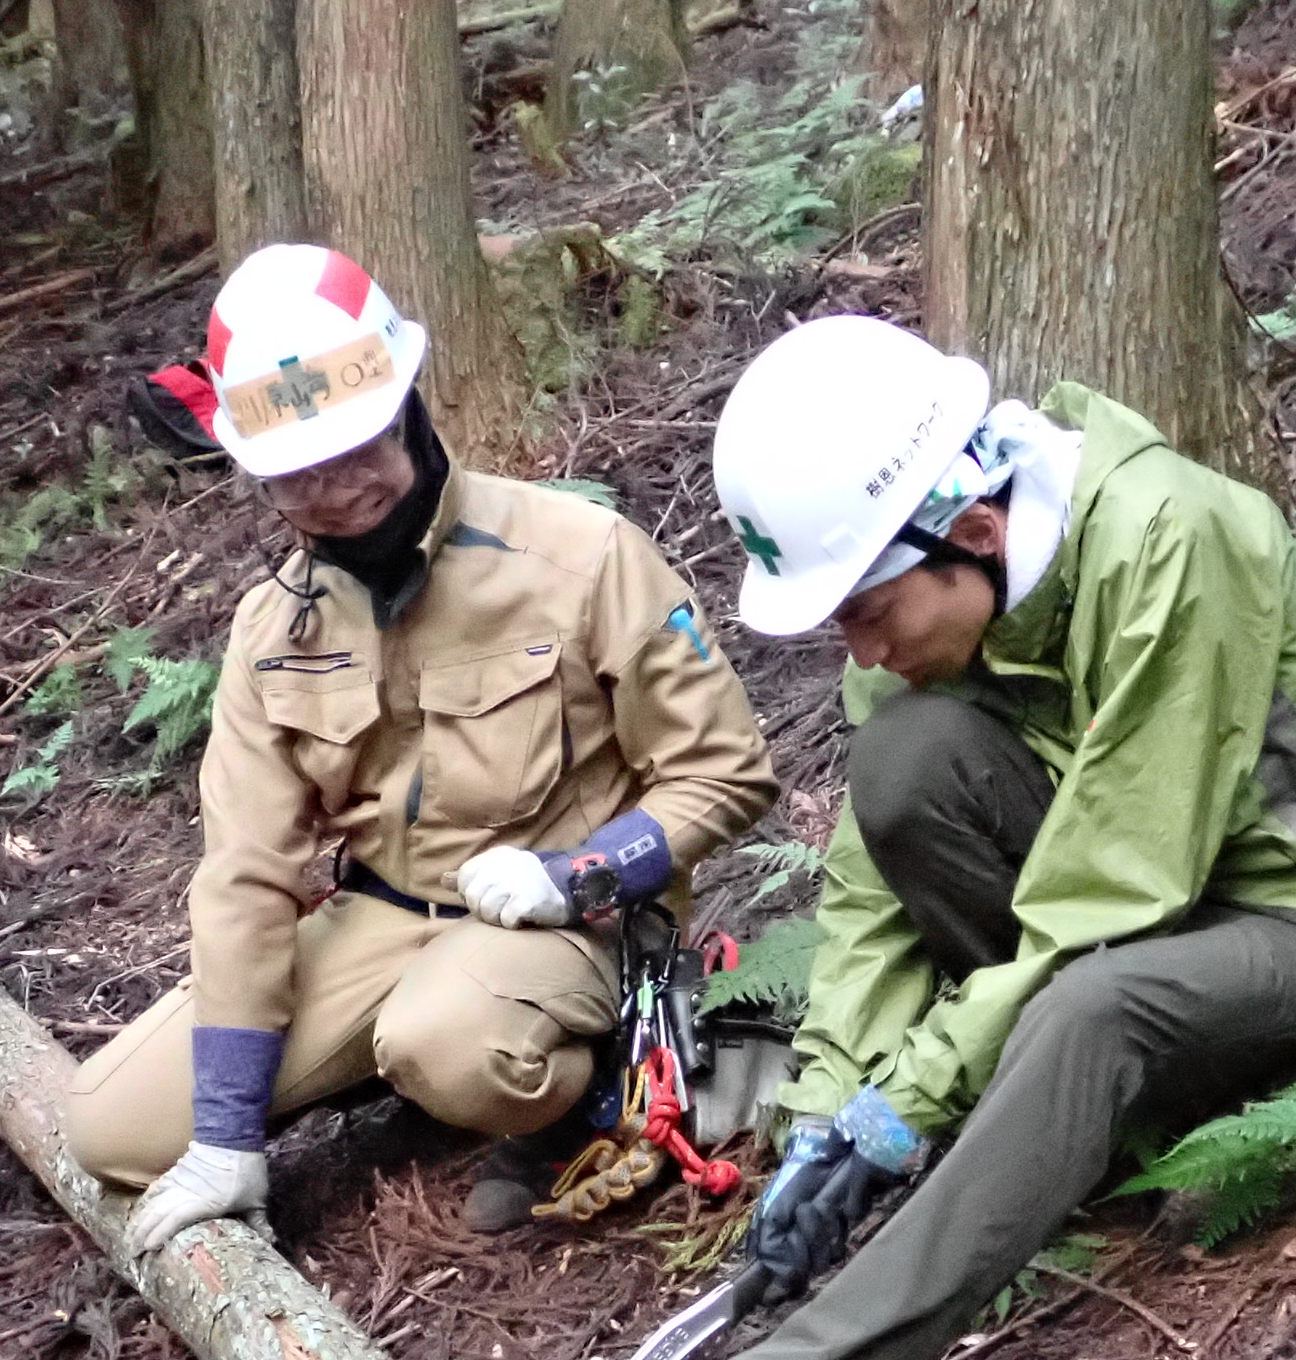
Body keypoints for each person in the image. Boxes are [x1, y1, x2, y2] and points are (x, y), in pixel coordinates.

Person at [519, 314, 1296, 1360]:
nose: (864, 653)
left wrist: (916, 1097)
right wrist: (827, 1108)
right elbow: (870, 887)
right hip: (1123, 913)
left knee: (1095, 1006)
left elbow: (1106, 899)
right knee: (903, 767)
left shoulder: (1170, 538)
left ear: (978, 535)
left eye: (871, 615)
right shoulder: (928, 594)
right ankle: (1034, 1132)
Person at [63, 244, 777, 1242]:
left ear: (405, 405)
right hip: (384, 922)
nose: (335, 485)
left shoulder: (575, 556)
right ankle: (392, 1064)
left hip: (579, 918)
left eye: (355, 445)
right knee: (109, 1130)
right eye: (297, 470)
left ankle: (586, 1084)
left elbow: (724, 773)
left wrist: (574, 875)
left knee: (448, 1043)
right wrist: (226, 1135)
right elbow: (245, 878)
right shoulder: (273, 634)